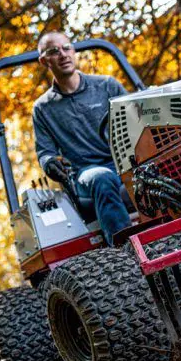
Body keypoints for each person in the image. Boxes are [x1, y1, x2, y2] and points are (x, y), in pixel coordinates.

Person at [32, 31, 131, 246]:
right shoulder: (43, 109)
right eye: (53, 51)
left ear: (74, 51)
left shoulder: (106, 86)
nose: (63, 55)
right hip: (86, 173)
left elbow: (135, 120)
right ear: (44, 60)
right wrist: (49, 163)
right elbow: (45, 151)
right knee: (102, 178)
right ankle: (126, 251)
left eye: (66, 48)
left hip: (126, 161)